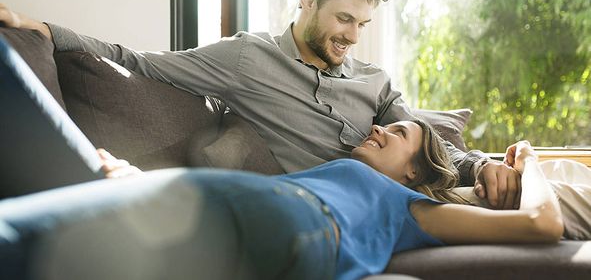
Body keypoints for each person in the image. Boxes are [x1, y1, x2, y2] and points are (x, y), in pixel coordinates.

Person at [0, 0, 521, 209]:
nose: (353, 37)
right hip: (332, 208)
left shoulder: (375, 82)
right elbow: (137, 59)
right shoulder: (247, 60)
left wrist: (481, 167)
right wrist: (42, 28)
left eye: (363, 24)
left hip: (418, 198)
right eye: (344, 19)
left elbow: (427, 144)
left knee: (540, 186)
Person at [0, 119, 562, 280]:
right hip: (238, 211)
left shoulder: (409, 208)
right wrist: (142, 177)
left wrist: (528, 160)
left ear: (414, 171)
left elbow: (543, 223)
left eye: (400, 135)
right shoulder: (332, 172)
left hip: (279, 220)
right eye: (385, 125)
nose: (382, 130)